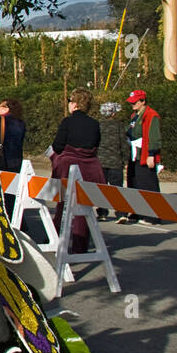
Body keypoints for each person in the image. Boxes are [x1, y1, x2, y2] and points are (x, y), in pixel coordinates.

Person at [51, 88, 104, 254]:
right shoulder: (95, 124)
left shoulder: (67, 122)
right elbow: (96, 144)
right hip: (89, 167)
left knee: (63, 206)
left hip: (69, 166)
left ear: (74, 104)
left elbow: (58, 145)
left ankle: (57, 241)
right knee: (84, 207)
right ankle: (81, 244)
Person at [123, 89, 163, 224]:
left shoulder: (152, 116)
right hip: (134, 155)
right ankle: (137, 212)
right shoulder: (134, 116)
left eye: (135, 102)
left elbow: (154, 136)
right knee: (134, 183)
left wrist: (152, 154)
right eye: (132, 102)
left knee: (148, 185)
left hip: (145, 154)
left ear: (143, 101)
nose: (132, 105)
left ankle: (153, 216)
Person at [96, 101, 128, 222]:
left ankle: (102, 213)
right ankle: (121, 213)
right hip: (116, 161)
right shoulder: (119, 125)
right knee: (117, 189)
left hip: (101, 161)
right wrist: (125, 159)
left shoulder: (98, 125)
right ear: (113, 113)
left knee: (102, 188)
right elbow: (123, 143)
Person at [0, 98, 26, 173]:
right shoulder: (21, 123)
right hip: (17, 159)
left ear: (7, 109)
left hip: (2, 159)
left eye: (1, 106)